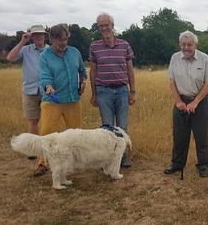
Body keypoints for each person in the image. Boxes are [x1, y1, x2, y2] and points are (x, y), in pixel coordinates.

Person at [34, 23, 87, 176]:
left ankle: (75, 161)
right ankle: (43, 163)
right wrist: (49, 87)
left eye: (65, 39)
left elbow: (82, 71)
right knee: (47, 133)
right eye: (60, 40)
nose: (63, 43)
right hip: (52, 101)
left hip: (73, 99)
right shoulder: (45, 56)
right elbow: (45, 76)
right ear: (51, 39)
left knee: (75, 134)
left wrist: (83, 82)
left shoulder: (75, 52)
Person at [164, 30, 208, 178]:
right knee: (179, 136)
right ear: (180, 44)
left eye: (189, 44)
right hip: (181, 101)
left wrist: (195, 102)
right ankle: (177, 163)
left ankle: (204, 165)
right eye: (183, 44)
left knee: (202, 136)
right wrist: (178, 101)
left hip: (200, 101)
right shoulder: (175, 58)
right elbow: (172, 81)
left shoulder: (204, 59)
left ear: (195, 45)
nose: (186, 47)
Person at [89, 12, 136, 168]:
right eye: (101, 26)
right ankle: (108, 160)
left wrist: (132, 91)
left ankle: (122, 158)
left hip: (122, 91)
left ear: (112, 26)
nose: (104, 28)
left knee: (122, 127)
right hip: (103, 92)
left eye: (106, 25)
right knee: (107, 128)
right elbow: (93, 71)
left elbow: (130, 70)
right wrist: (94, 94)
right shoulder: (94, 46)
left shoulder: (124, 45)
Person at [6, 25, 50, 160]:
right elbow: (10, 58)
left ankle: (47, 147)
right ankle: (33, 149)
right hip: (30, 90)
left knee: (49, 120)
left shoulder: (50, 50)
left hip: (48, 90)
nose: (39, 37)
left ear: (45, 36)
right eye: (36, 34)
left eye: (42, 34)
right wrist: (22, 41)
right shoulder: (25, 50)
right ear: (31, 36)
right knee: (33, 120)